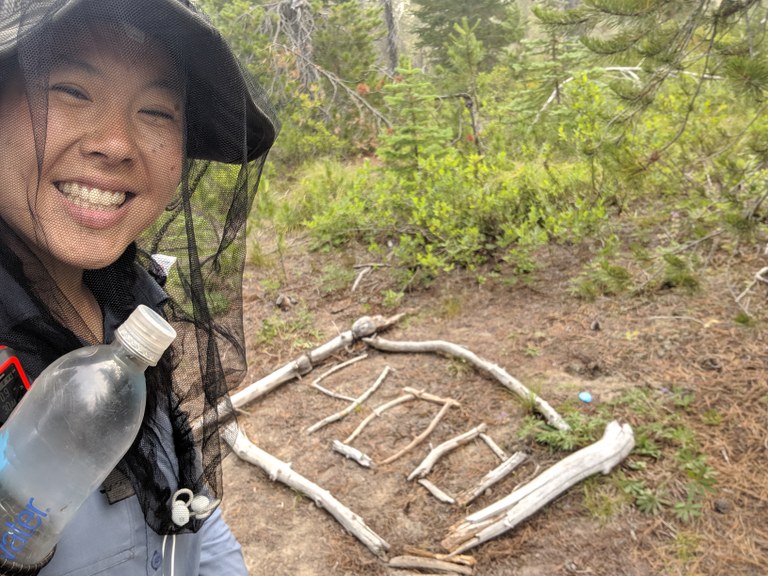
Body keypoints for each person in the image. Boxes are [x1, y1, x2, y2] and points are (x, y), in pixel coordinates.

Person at [0, 0, 278, 574]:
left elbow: (181, 499)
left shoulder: (128, 300)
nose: (118, 143)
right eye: (71, 91)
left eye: (157, 111)